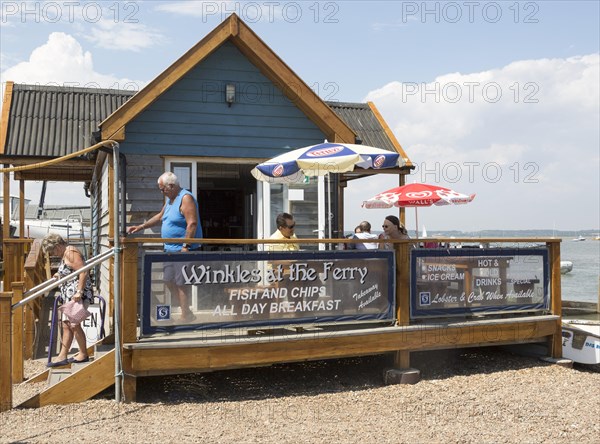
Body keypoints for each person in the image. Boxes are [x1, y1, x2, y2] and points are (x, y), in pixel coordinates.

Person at [127, 172, 202, 322]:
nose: (161, 192)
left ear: (172, 186)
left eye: (163, 189)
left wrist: (185, 246)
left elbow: (192, 223)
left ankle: (185, 315)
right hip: (169, 249)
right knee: (168, 280)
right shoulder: (170, 200)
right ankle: (186, 311)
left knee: (181, 283)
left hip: (183, 250)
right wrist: (141, 226)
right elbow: (160, 217)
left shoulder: (185, 198)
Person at [42, 233, 94, 367]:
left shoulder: (70, 252)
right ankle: (62, 356)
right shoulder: (65, 254)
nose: (53, 254)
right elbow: (70, 270)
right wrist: (59, 274)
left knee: (74, 324)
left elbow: (83, 271)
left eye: (53, 250)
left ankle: (83, 354)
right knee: (66, 325)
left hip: (78, 295)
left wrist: (79, 291)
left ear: (58, 245)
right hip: (69, 296)